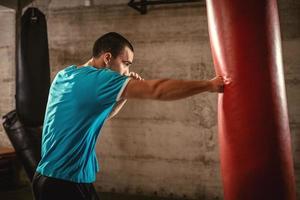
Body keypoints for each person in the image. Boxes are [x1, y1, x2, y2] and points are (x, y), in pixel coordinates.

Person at [31, 32, 226, 200]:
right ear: (107, 58)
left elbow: (102, 116)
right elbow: (157, 90)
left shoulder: (66, 75)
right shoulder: (101, 80)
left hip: (49, 177)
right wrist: (208, 85)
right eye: (125, 63)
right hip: (63, 183)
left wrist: (123, 95)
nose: (127, 71)